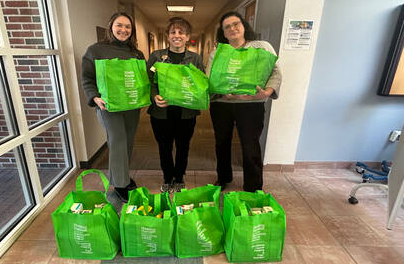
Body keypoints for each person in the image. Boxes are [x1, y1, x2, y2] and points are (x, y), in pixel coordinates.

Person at [206, 11, 282, 192]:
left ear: (244, 26)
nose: (232, 29)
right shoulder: (218, 53)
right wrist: (222, 94)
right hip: (222, 105)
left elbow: (275, 72)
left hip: (251, 106)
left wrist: (265, 93)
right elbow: (210, 78)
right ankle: (224, 177)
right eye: (227, 27)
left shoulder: (261, 47)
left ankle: (253, 186)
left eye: (235, 24)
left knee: (250, 146)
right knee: (221, 143)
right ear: (223, 33)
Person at [81, 12, 145, 202]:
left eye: (127, 27)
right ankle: (120, 185)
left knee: (128, 142)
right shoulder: (96, 51)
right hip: (109, 107)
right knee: (117, 141)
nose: (123, 30)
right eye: (119, 25)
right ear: (111, 27)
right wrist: (94, 97)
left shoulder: (136, 53)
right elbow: (87, 78)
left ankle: (122, 175)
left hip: (131, 106)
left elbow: (140, 80)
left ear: (131, 31)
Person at [147, 17, 204, 193]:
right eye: (173, 32)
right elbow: (148, 80)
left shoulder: (195, 58)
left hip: (186, 112)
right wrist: (154, 96)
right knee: (164, 147)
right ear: (168, 36)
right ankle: (167, 177)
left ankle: (178, 178)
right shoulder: (157, 56)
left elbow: (200, 82)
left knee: (183, 146)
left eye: (181, 32)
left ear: (187, 37)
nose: (177, 35)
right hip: (161, 112)